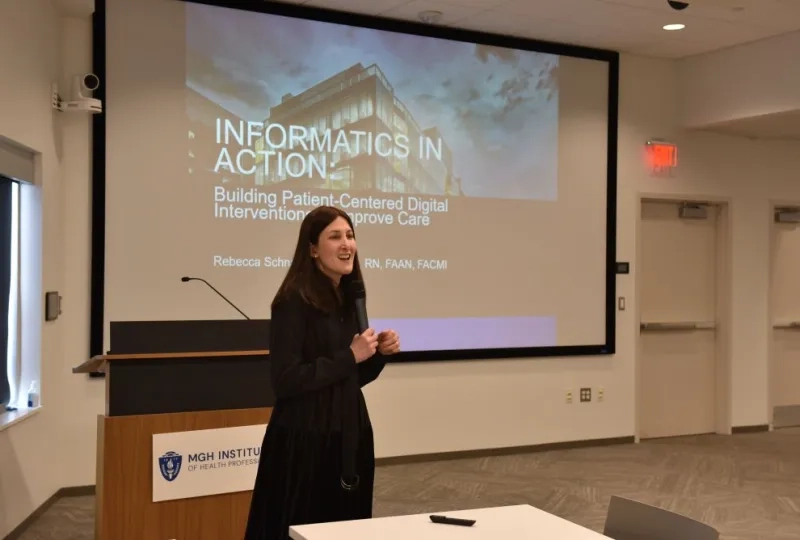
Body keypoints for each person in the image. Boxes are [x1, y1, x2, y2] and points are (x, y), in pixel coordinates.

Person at [243, 205, 400, 540]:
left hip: (348, 435)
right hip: (306, 440)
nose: (347, 244)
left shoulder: (350, 297)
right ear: (312, 249)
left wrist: (377, 355)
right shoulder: (292, 301)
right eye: (335, 236)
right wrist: (350, 355)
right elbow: (286, 380)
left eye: (350, 235)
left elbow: (352, 377)